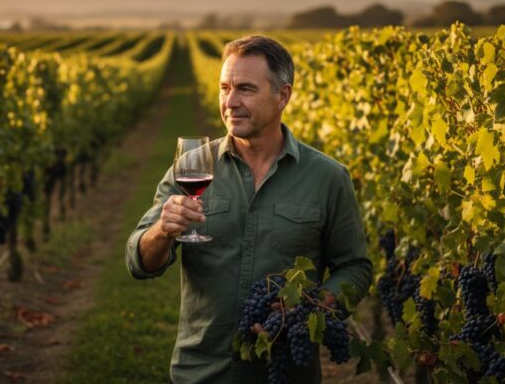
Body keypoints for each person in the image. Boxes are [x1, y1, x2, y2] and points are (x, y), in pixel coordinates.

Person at [125, 35, 372, 384]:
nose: (230, 102)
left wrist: (310, 309)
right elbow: (139, 262)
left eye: (245, 89)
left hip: (286, 373)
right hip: (201, 373)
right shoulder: (190, 167)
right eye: (224, 88)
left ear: (282, 95)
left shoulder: (328, 178)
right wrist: (161, 231)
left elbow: (355, 267)